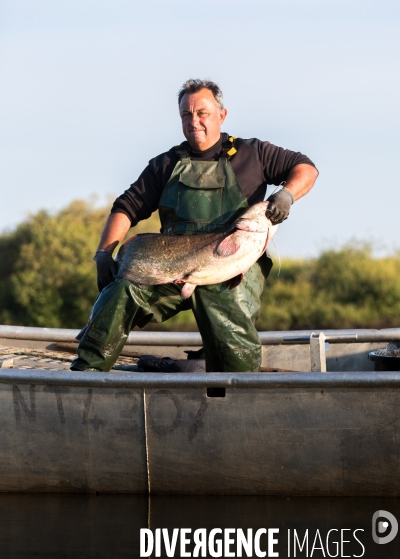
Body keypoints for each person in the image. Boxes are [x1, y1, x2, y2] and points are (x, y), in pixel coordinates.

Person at [70, 79, 318, 373]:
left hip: (230, 273)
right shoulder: (165, 164)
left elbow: (306, 168)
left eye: (202, 113)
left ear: (221, 115)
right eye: (186, 115)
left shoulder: (253, 153)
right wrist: (103, 253)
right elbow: (125, 208)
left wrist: (286, 195)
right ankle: (86, 377)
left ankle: (237, 395)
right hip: (170, 267)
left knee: (231, 332)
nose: (194, 121)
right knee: (120, 291)